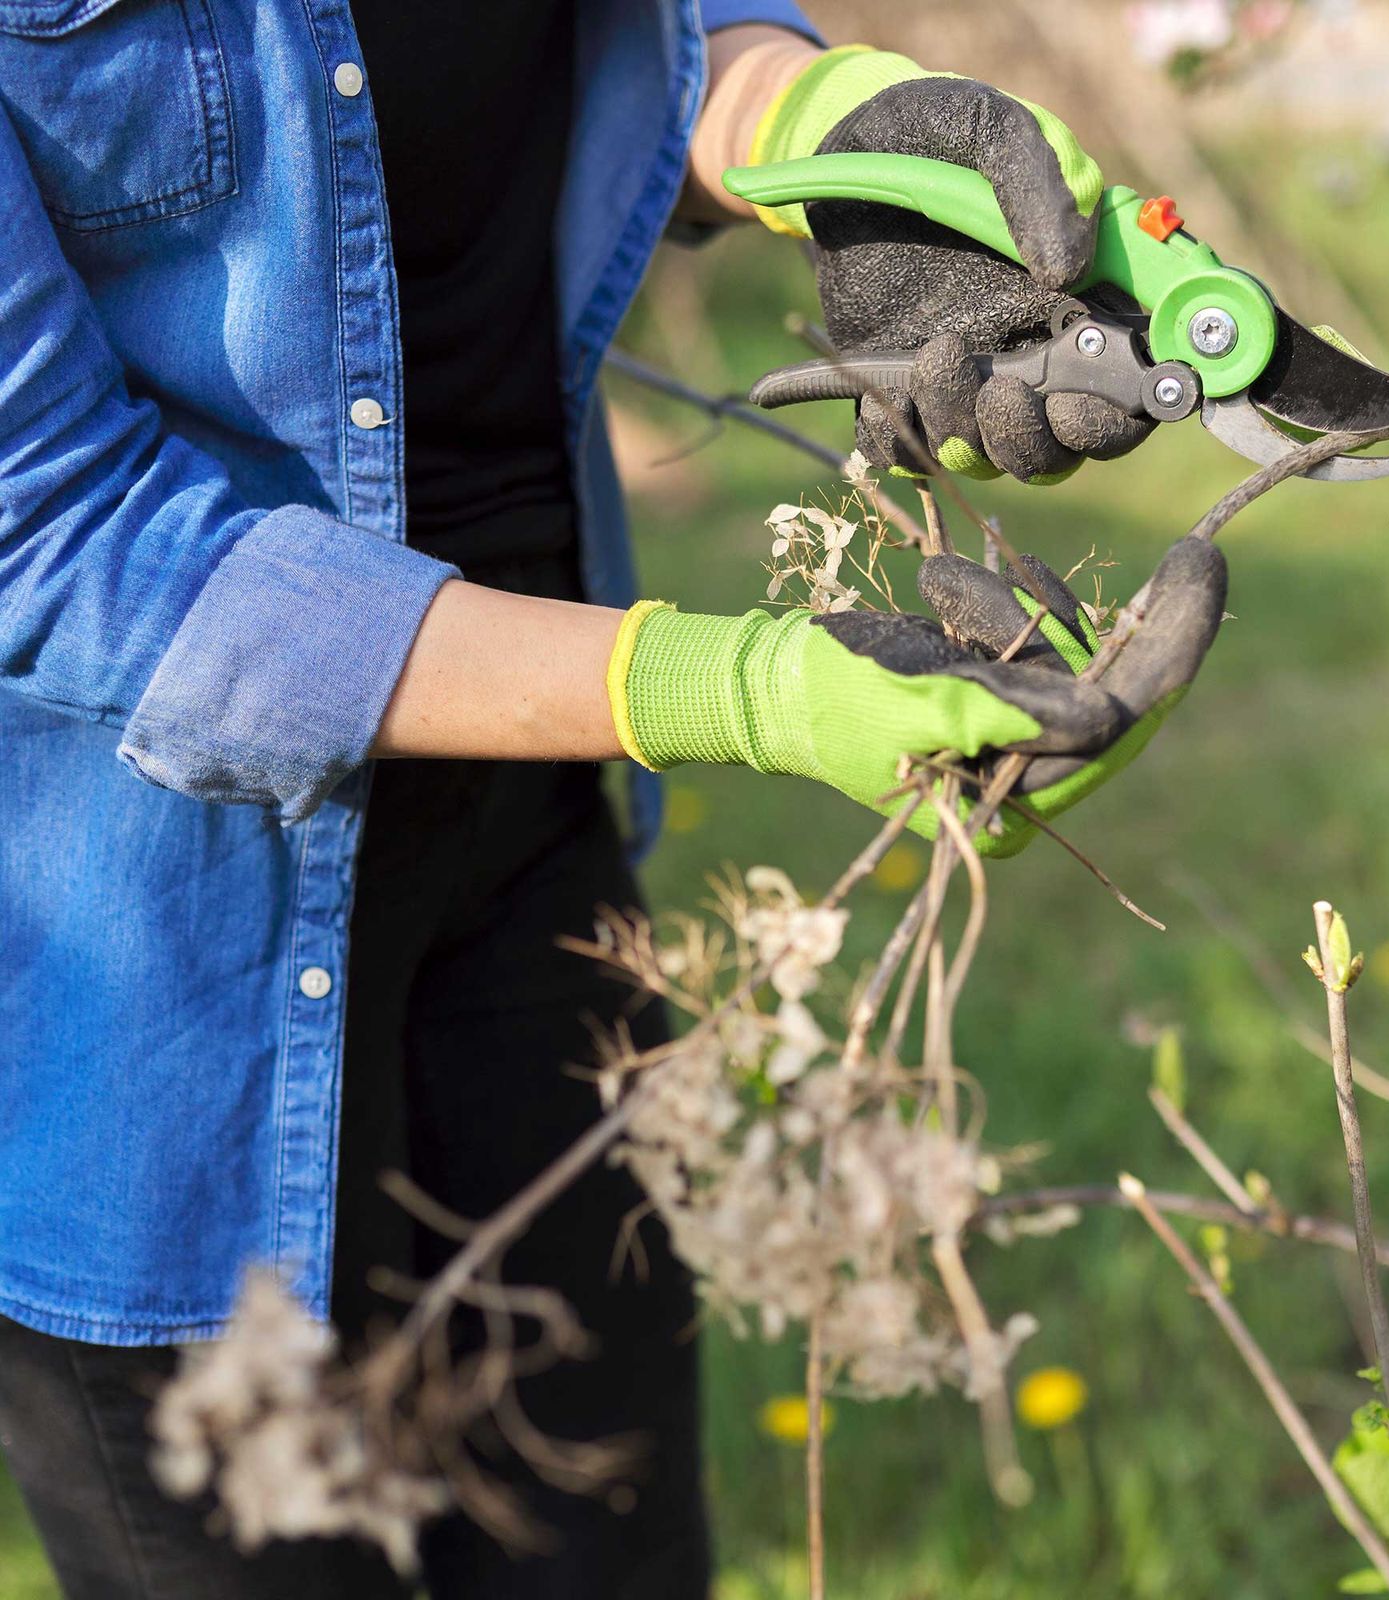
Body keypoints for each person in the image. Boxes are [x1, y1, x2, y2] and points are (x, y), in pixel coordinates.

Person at [0, 7, 1224, 1596]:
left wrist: (824, 123)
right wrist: (730, 691)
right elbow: (48, 530)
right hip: (147, 989)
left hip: (530, 871)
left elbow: (642, 32)